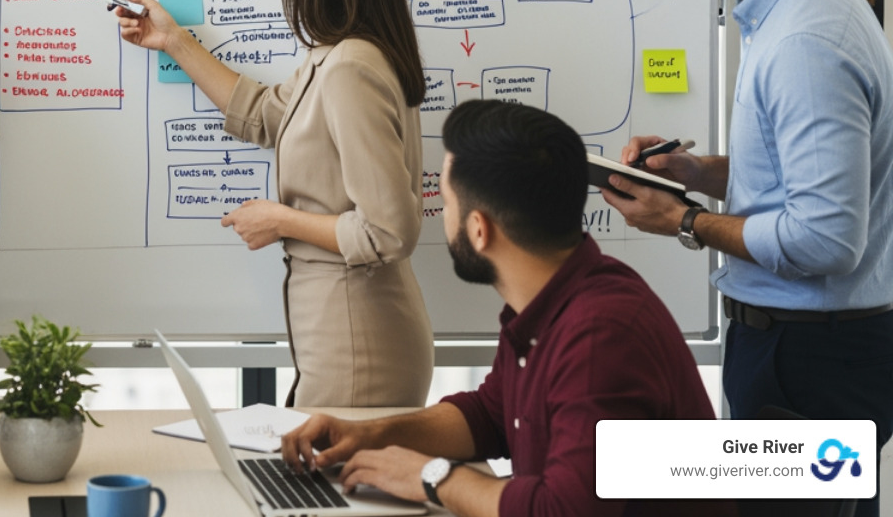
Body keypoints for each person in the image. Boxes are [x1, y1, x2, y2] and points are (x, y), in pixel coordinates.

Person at [605, 0, 893, 517]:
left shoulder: (806, 41)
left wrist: (687, 222)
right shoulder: (798, 8)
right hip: (800, 353)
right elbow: (800, 179)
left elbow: (824, 237)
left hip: (810, 366)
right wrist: (700, 174)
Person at [281, 99, 729, 517]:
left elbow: (563, 510)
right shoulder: (549, 300)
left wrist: (432, 476)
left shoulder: (601, 333)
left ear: (479, 230)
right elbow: (492, 415)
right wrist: (370, 434)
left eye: (447, 203)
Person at [115, 0, 431, 407]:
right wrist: (173, 41)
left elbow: (388, 230)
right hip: (344, 333)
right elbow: (265, 115)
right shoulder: (334, 54)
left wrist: (279, 219)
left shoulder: (350, 66)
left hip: (360, 346)